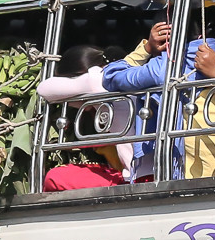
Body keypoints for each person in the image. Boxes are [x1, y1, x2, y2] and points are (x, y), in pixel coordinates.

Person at [102, 17, 215, 179]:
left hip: (197, 179)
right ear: (203, 35)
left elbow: (111, 76)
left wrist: (147, 48)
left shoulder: (163, 68)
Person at [39, 44, 140, 191]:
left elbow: (44, 89)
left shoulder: (97, 78)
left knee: (55, 177)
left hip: (136, 177)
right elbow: (85, 105)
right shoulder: (130, 76)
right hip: (144, 172)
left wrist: (86, 80)